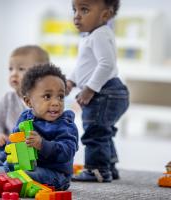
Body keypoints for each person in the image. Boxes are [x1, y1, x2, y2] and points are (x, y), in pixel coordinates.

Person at [0, 64, 78, 195]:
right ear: (28, 102)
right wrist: (1, 161)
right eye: (47, 96)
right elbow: (12, 146)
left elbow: (68, 151)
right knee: (3, 163)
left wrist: (42, 145)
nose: (56, 102)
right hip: (23, 164)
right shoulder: (25, 118)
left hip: (54, 173)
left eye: (60, 97)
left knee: (28, 175)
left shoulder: (65, 123)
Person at [66, 0, 129, 182]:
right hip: (111, 92)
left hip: (105, 93)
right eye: (74, 9)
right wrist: (71, 80)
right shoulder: (91, 35)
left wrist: (89, 89)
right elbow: (83, 65)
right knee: (103, 130)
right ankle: (109, 166)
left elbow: (106, 64)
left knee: (95, 130)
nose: (77, 15)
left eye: (84, 10)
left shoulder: (99, 35)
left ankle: (97, 169)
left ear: (105, 15)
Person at [0, 45, 50, 160]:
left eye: (21, 69)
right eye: (11, 69)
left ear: (41, 75)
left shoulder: (44, 101)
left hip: (30, 150)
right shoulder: (7, 99)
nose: (14, 73)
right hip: (8, 148)